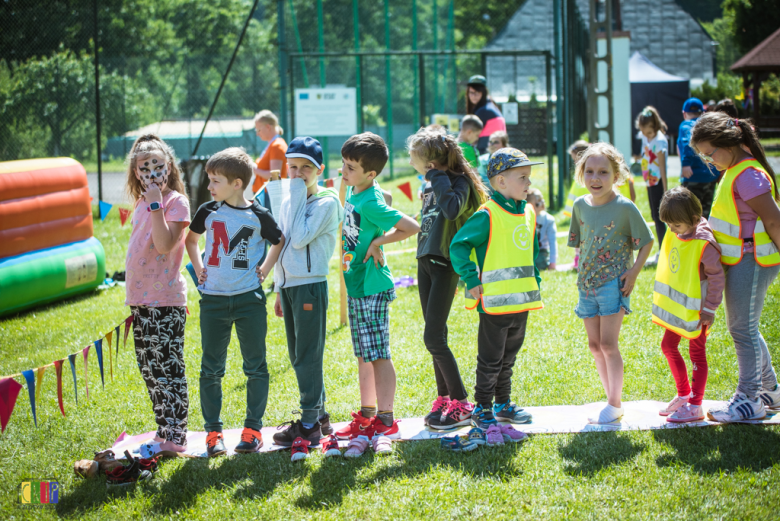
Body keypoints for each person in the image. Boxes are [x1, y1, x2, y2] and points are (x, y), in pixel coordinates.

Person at [185, 147, 283, 456]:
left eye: (215, 181)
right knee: (211, 368)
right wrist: (199, 269)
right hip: (213, 301)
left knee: (255, 366)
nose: (209, 187)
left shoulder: (258, 215)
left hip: (248, 301)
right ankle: (213, 433)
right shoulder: (207, 210)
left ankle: (252, 430)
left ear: (237, 183)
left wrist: (265, 270)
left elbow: (278, 241)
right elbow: (191, 240)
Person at [334, 132, 421, 456]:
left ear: (370, 174)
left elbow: (411, 226)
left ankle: (387, 419)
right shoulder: (357, 193)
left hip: (372, 288)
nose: (345, 170)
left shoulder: (369, 199)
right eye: (344, 163)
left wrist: (377, 243)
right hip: (357, 285)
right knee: (363, 355)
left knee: (379, 354)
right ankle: (367, 415)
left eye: (352, 167)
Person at [691, 112, 780, 422]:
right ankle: (770, 390)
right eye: (704, 156)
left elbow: (773, 220)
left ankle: (750, 399)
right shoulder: (734, 170)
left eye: (709, 153)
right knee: (744, 327)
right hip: (740, 260)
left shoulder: (748, 175)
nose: (709, 161)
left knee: (742, 329)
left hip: (752, 261)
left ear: (727, 142)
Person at [450, 148, 543, 441]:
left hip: (522, 303)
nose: (529, 183)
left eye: (528, 177)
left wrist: (536, 281)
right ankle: (483, 408)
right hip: (493, 306)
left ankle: (503, 404)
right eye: (522, 177)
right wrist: (469, 278)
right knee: (490, 361)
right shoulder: (487, 214)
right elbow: (459, 245)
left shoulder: (528, 211)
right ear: (500, 182)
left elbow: (531, 251)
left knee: (509, 358)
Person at [263, 137, 344, 454]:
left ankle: (309, 424)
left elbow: (300, 239)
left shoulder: (326, 202)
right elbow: (281, 243)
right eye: (292, 167)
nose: (297, 174)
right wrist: (279, 289)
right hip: (290, 286)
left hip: (311, 285)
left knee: (308, 354)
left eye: (305, 168)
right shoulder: (287, 201)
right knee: (299, 355)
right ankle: (320, 416)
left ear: (319, 170)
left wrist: (296, 191)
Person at [406, 126, 488, 431]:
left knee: (433, 337)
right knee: (435, 335)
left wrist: (437, 177)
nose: (411, 161)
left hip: (445, 264)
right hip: (426, 261)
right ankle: (444, 399)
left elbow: (452, 211)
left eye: (415, 157)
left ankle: (462, 403)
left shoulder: (458, 182)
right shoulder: (431, 184)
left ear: (429, 163)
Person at [567, 143, 654, 424]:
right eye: (589, 171)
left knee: (608, 345)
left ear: (616, 175)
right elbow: (580, 242)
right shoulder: (579, 205)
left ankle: (614, 404)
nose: (595, 178)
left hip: (613, 284)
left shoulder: (625, 207)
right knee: (594, 346)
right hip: (586, 285)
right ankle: (611, 402)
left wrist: (634, 273)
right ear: (581, 174)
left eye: (603, 172)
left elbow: (647, 241)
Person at [124, 134, 191, 457]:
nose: (151, 174)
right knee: (149, 368)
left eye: (157, 167)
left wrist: (155, 205)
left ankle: (177, 435)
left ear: (169, 167)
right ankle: (164, 428)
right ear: (135, 173)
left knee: (168, 368)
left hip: (165, 301)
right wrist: (148, 203)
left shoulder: (175, 202)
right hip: (141, 300)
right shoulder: (141, 203)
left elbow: (164, 245)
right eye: (144, 168)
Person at [653, 187, 724, 423]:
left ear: (694, 220)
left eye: (677, 226)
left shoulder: (705, 244)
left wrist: (710, 309)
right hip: (678, 309)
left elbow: (716, 278)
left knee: (696, 354)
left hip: (699, 312)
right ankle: (684, 394)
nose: (672, 231)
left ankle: (696, 404)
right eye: (669, 226)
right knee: (668, 346)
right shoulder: (679, 231)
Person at [678, 98, 718, 219]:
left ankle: (694, 237)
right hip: (710, 176)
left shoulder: (685, 125)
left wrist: (686, 163)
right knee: (705, 214)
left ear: (684, 113)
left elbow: (686, 143)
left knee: (690, 214)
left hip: (693, 177)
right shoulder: (707, 126)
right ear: (703, 113)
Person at [636, 106, 669, 250]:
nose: (646, 136)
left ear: (655, 126)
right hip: (649, 180)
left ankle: (664, 249)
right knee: (654, 216)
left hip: (657, 182)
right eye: (644, 133)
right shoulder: (646, 136)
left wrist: (665, 189)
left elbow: (662, 167)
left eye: (649, 132)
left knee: (659, 217)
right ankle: (662, 249)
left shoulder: (660, 141)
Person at [565, 140, 590, 270]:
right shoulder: (581, 171)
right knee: (579, 236)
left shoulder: (589, 171)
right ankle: (578, 260)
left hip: (587, 209)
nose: (575, 163)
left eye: (576, 160)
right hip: (580, 210)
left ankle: (582, 260)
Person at [466, 75, 507, 154]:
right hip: (497, 150)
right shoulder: (491, 106)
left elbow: (470, 136)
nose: (474, 96)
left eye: (477, 92)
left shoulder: (483, 110)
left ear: (483, 93)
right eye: (471, 93)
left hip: (487, 151)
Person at [252, 110, 288, 194]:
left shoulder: (277, 145)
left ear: (268, 127)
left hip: (269, 195)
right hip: (265, 193)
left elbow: (274, 175)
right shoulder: (272, 144)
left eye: (258, 130)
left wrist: (254, 169)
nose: (257, 133)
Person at [527, 188, 558, 271]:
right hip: (528, 251)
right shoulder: (525, 218)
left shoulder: (548, 220)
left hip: (541, 251)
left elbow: (552, 242)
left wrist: (552, 263)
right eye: (538, 201)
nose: (542, 202)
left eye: (542, 199)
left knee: (539, 262)